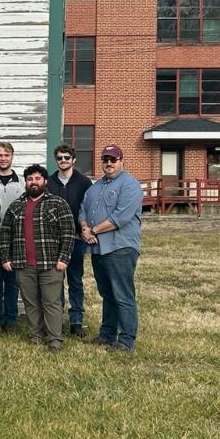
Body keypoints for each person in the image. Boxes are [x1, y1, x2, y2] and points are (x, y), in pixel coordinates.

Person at [0, 164, 75, 353]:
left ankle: (55, 339)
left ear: (45, 181)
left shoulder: (58, 204)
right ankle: (36, 335)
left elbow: (68, 232)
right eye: (30, 179)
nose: (34, 182)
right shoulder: (16, 206)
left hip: (51, 263)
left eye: (37, 178)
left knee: (51, 303)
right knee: (31, 303)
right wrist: (5, 258)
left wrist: (63, 258)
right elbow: (5, 233)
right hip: (23, 264)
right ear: (26, 182)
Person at [79, 144, 142, 352]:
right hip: (98, 250)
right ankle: (107, 335)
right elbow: (83, 210)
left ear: (121, 161)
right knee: (107, 293)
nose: (109, 163)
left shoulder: (130, 185)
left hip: (120, 248)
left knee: (123, 295)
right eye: (105, 159)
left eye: (113, 159)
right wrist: (84, 229)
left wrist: (94, 230)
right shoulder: (95, 187)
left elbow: (120, 218)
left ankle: (126, 341)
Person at [47, 144, 93, 337]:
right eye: (59, 158)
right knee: (56, 281)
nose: (63, 161)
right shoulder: (49, 182)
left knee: (75, 280)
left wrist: (85, 230)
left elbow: (89, 209)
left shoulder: (84, 183)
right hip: (54, 241)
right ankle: (56, 319)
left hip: (76, 239)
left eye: (67, 157)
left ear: (74, 160)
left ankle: (76, 320)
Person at [0, 141, 25, 332]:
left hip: (15, 241)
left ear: (12, 157)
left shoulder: (22, 183)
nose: (3, 158)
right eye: (0, 155)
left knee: (12, 282)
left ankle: (10, 319)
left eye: (6, 155)